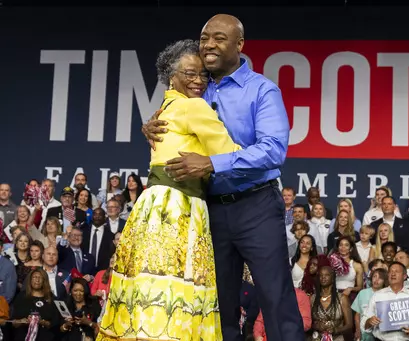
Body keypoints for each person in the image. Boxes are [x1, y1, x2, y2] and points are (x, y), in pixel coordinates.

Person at [142, 14, 303, 341]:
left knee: (275, 297)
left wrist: (213, 163)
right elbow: (173, 128)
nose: (208, 45)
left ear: (239, 44)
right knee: (215, 304)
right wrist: (150, 127)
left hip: (256, 205)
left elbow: (274, 151)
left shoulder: (262, 90)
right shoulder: (192, 89)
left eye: (218, 38)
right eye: (204, 38)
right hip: (208, 211)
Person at [97, 39, 241, 341]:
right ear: (171, 75)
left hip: (153, 208)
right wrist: (260, 151)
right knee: (177, 295)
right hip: (179, 209)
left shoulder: (166, 106)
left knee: (149, 295)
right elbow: (229, 154)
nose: (198, 80)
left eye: (203, 74)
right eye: (190, 73)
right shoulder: (192, 106)